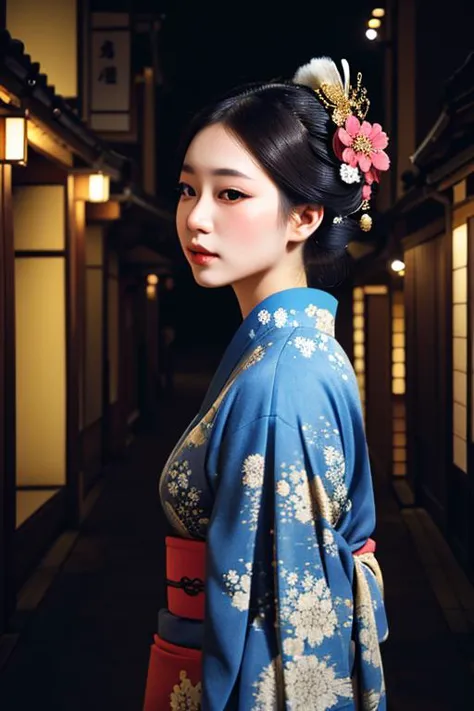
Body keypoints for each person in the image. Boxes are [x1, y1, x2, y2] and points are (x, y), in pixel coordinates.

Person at [143, 56, 390, 711]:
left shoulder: (281, 382)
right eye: (187, 188)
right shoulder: (296, 347)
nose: (196, 218)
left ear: (305, 217)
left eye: (229, 193)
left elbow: (291, 633)